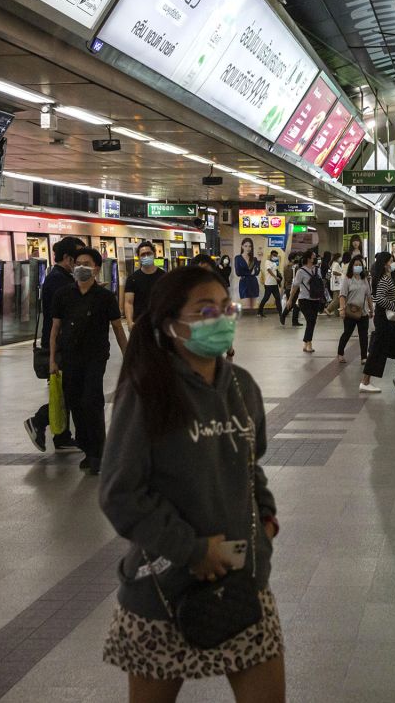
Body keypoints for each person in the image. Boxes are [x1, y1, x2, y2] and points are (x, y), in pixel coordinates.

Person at [99, 266, 284, 701]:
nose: (220, 319)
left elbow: (249, 464)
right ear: (170, 324)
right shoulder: (149, 392)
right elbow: (120, 492)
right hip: (163, 593)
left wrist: (267, 518)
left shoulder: (242, 387)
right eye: (204, 311)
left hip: (242, 584)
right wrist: (194, 550)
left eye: (225, 308)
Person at [50, 247, 129, 475]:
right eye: (78, 263)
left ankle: (98, 452)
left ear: (96, 268)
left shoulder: (105, 297)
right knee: (75, 403)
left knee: (91, 401)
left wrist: (128, 357)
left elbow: (117, 328)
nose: (81, 266)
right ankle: (87, 448)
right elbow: (55, 329)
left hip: (95, 357)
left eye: (87, 263)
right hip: (70, 357)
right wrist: (53, 361)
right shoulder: (63, 295)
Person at [24, 236, 84, 453]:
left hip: (59, 342)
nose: (81, 265)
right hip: (59, 344)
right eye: (78, 259)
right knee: (69, 390)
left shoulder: (58, 277)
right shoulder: (59, 280)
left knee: (64, 388)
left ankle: (62, 437)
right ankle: (38, 421)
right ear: (68, 258)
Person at [359, 253, 395, 395]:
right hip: (384, 320)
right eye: (391, 261)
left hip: (386, 320)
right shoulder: (385, 279)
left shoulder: (385, 278)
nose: (393, 263)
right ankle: (365, 382)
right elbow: (380, 299)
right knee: (378, 351)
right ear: (385, 264)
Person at [337, 254, 371, 365]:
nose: (358, 266)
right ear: (352, 266)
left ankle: (364, 357)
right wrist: (342, 310)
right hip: (350, 312)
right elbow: (342, 295)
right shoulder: (347, 280)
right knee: (347, 333)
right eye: (356, 265)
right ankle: (340, 353)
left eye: (360, 265)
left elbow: (368, 296)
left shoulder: (364, 280)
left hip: (363, 312)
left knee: (364, 335)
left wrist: (372, 309)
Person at [287, 251, 325, 352]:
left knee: (312, 321)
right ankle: (309, 344)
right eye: (313, 257)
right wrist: (290, 300)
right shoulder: (301, 271)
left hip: (316, 299)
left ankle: (306, 343)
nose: (315, 258)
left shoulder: (318, 269)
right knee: (310, 320)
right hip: (304, 300)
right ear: (308, 258)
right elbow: (295, 287)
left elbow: (321, 283)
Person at [124, 241, 165, 326]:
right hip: (140, 324)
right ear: (138, 257)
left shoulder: (164, 276)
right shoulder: (132, 279)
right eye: (143, 255)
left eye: (148, 253)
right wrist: (129, 322)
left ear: (154, 254)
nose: (146, 256)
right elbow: (128, 302)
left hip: (160, 323)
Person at [234, 238, 260, 313]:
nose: (248, 248)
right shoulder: (238, 258)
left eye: (250, 246)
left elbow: (257, 273)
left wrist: (259, 262)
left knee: (253, 306)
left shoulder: (254, 259)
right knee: (246, 305)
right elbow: (238, 273)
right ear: (242, 246)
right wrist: (250, 273)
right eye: (246, 246)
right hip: (244, 282)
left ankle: (253, 323)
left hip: (253, 282)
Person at [258, 248, 283, 320]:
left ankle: (280, 313)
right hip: (268, 284)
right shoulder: (267, 262)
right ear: (271, 255)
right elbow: (269, 270)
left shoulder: (275, 263)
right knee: (266, 298)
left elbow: (276, 272)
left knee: (278, 298)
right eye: (274, 255)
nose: (275, 257)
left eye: (276, 256)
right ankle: (260, 312)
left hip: (275, 284)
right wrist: (275, 277)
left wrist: (278, 281)